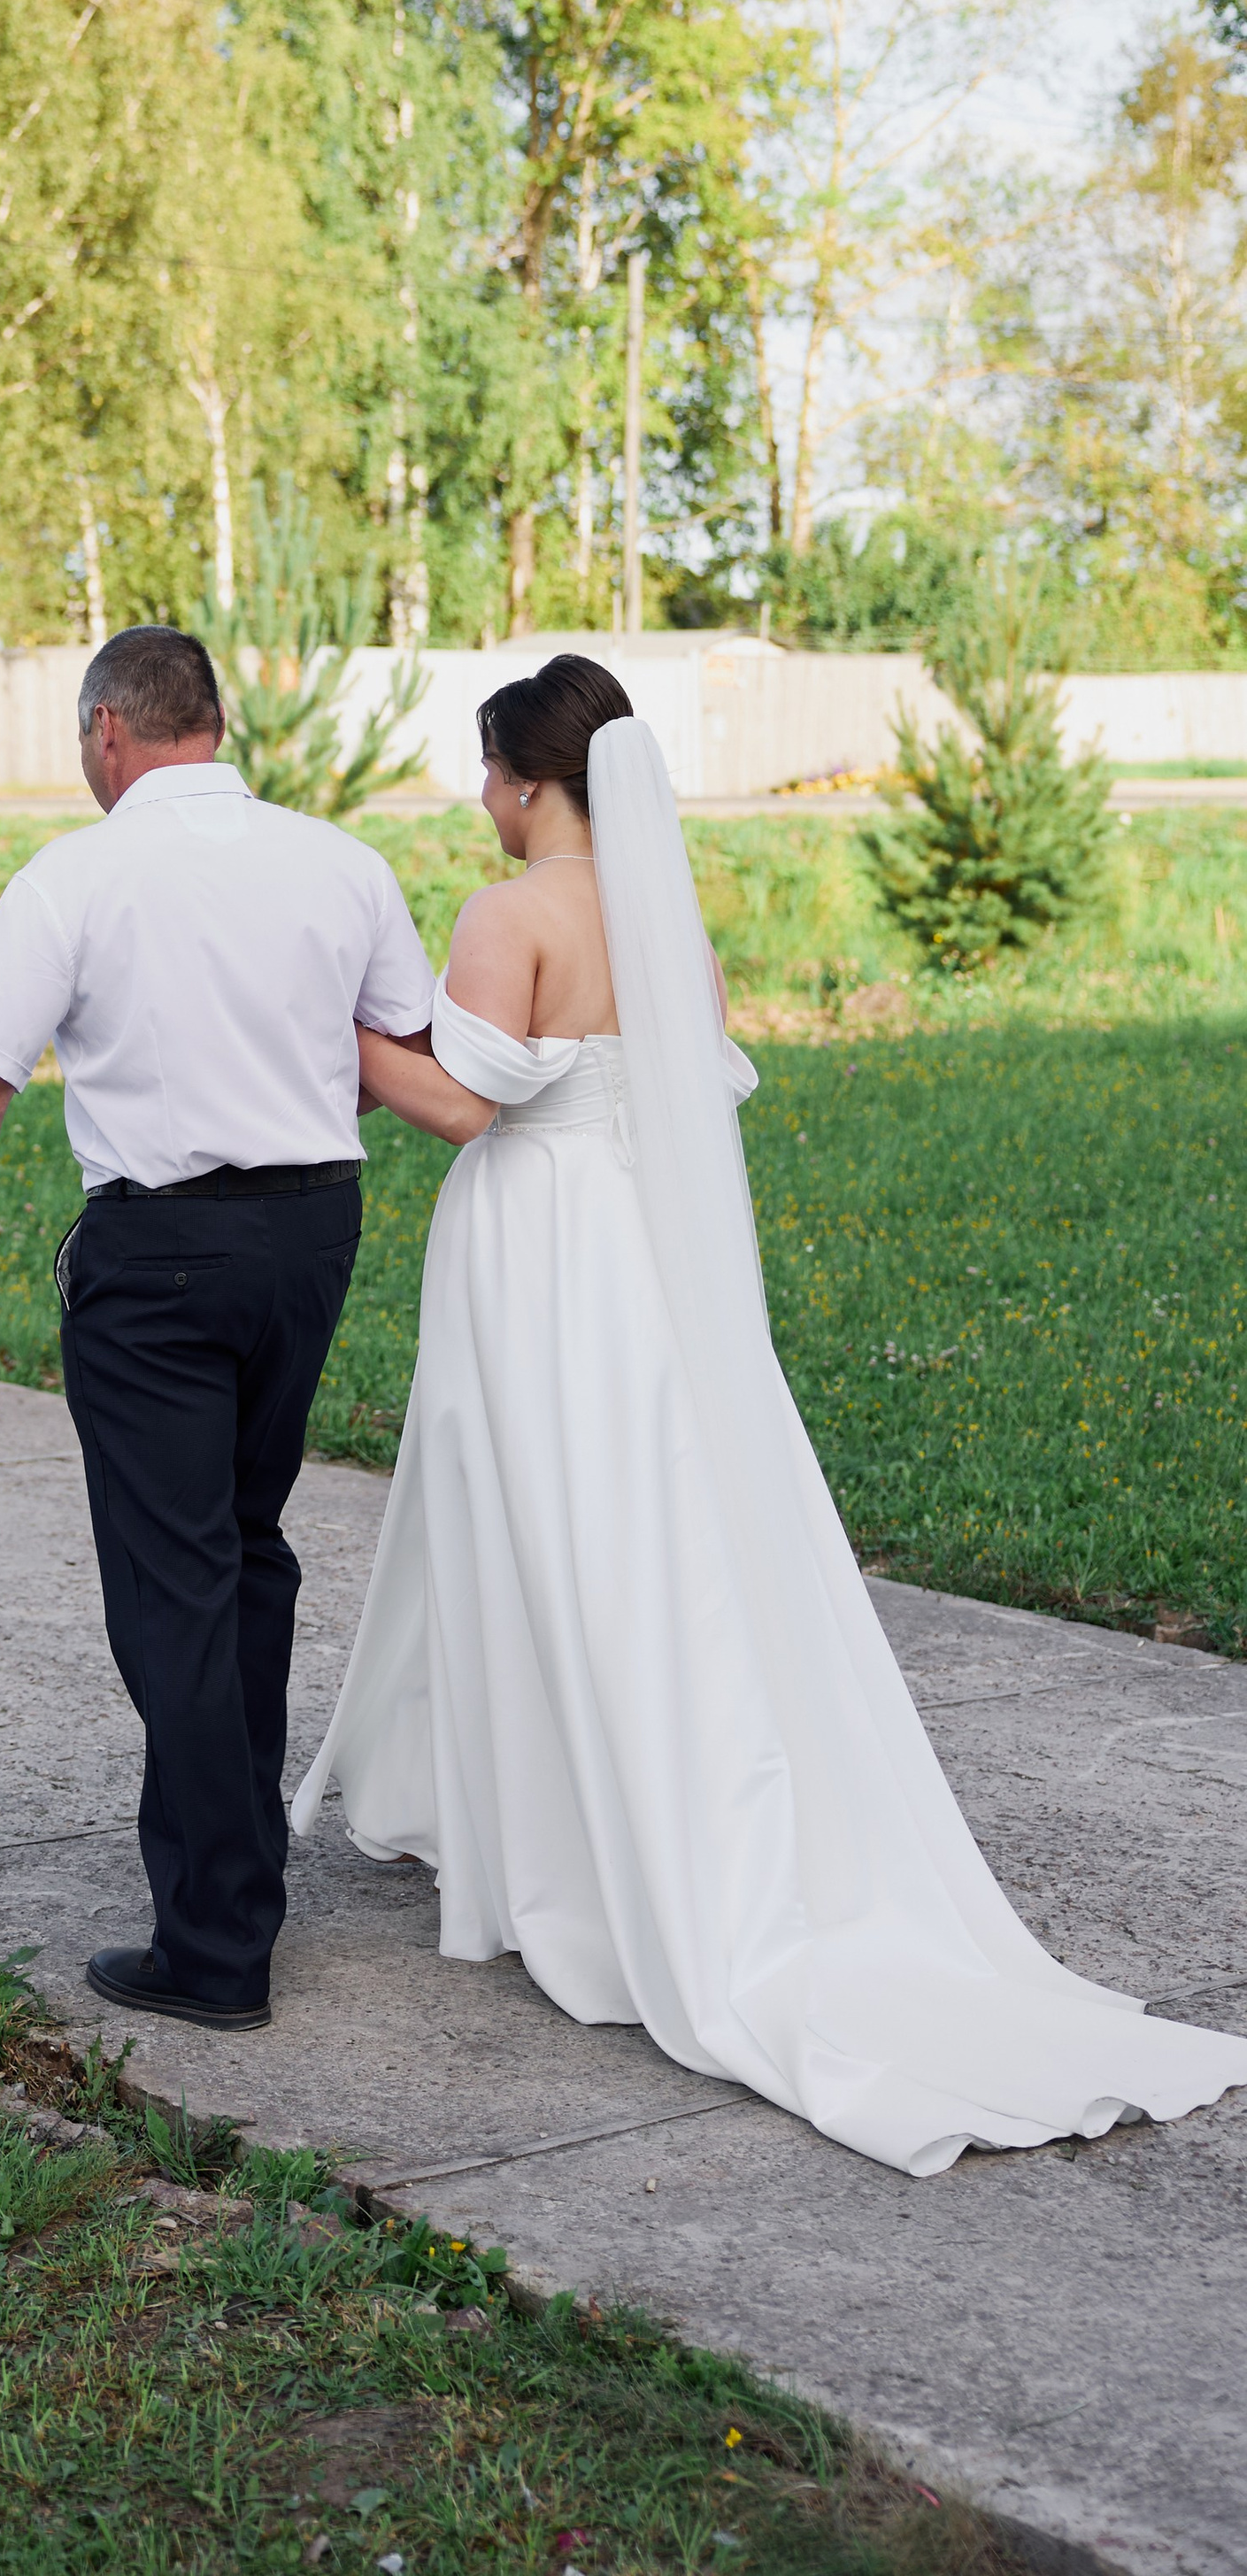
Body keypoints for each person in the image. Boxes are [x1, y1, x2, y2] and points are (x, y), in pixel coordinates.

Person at [293, 651, 1247, 2176]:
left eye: (487, 775)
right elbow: (685, 1084)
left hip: (537, 1244)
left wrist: (339, 1028)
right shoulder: (664, 917)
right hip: (637, 1247)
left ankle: (573, 1857)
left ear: (530, 781)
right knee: (642, 1529)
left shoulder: (510, 911)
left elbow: (470, 1103)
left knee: (537, 1525)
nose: (479, 803)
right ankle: (606, 1820)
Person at [0, 623, 434, 2031]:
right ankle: (240, 1860)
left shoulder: (79, 873)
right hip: (311, 1234)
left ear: (107, 735)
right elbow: (396, 1056)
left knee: (175, 1580)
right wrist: (281, 1121)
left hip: (161, 1258)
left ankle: (216, 1941)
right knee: (245, 1547)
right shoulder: (342, 863)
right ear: (215, 720)